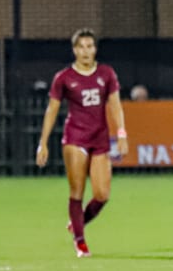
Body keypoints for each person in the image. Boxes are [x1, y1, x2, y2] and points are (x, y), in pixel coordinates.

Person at [35, 28, 129, 257]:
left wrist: (122, 133)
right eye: (81, 47)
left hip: (99, 138)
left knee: (102, 194)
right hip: (75, 138)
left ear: (95, 49)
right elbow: (52, 110)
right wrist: (43, 142)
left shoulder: (106, 74)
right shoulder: (64, 78)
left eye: (90, 46)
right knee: (77, 190)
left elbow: (115, 105)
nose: (86, 51)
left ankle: (77, 223)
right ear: (75, 50)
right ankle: (80, 242)